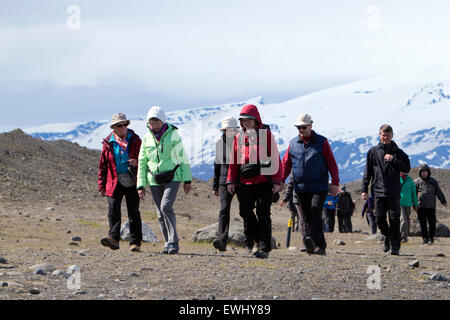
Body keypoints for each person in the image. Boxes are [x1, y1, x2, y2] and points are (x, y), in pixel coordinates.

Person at [227, 104, 283, 259]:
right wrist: (231, 180)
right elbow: (234, 160)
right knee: (244, 211)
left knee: (263, 212)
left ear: (256, 120)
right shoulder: (239, 137)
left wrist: (277, 181)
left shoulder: (266, 135)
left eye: (249, 120)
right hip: (244, 182)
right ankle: (257, 240)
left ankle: (264, 247)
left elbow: (275, 158)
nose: (246, 123)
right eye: (243, 121)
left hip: (264, 180)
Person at [281, 114, 340, 256]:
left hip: (319, 186)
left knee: (315, 211)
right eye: (299, 128)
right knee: (306, 218)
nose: (301, 130)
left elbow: (332, 163)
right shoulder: (293, 143)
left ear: (310, 126)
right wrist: (281, 180)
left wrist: (335, 183)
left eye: (304, 127)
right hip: (300, 187)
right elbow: (286, 163)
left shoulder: (322, 142)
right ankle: (320, 246)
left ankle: (311, 241)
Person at [137, 106, 192, 254]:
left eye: (156, 122)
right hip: (154, 179)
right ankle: (168, 243)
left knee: (165, 206)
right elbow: (142, 161)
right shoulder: (147, 137)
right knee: (160, 214)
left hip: (172, 177)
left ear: (162, 121)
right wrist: (140, 185)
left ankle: (173, 241)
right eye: (151, 122)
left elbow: (182, 158)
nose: (153, 125)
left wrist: (187, 180)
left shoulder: (173, 135)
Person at [361, 124, 410, 255]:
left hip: (393, 191)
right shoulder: (373, 151)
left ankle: (395, 246)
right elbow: (368, 171)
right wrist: (364, 189)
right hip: (377, 191)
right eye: (383, 135)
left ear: (392, 136)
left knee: (394, 219)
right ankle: (387, 236)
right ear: (379, 135)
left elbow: (406, 168)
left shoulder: (398, 153)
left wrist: (393, 160)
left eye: (388, 135)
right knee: (379, 219)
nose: (385, 138)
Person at [98, 113, 143, 252]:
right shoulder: (108, 143)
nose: (123, 127)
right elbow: (103, 165)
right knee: (113, 210)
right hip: (114, 181)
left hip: (132, 180)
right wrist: (101, 184)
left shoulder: (136, 140)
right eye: (120, 125)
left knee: (133, 212)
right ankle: (114, 239)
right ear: (114, 127)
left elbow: (144, 159)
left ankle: (135, 242)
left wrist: (137, 163)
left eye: (125, 124)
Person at [212, 116, 240, 252]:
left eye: (231, 130)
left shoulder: (242, 142)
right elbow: (217, 165)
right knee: (224, 210)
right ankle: (221, 240)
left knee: (246, 211)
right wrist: (215, 185)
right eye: (226, 130)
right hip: (224, 182)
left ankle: (249, 241)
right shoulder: (219, 144)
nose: (228, 132)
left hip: (241, 181)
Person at [414, 163, 447, 244]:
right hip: (420, 206)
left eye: (425, 172)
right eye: (422, 172)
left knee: (432, 223)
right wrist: (414, 204)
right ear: (420, 172)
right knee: (423, 223)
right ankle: (425, 238)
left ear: (428, 172)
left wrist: (443, 201)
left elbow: (438, 192)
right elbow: (413, 194)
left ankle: (431, 238)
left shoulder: (433, 181)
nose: (424, 173)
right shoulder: (416, 182)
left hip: (431, 206)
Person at [280, 172, 307, 252]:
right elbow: (289, 201)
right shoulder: (292, 193)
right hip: (294, 206)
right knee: (296, 219)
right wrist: (287, 203)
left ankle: (297, 229)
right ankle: (294, 229)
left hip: (297, 204)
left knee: (300, 220)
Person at [399, 171, 418, 243]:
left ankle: (405, 236)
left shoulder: (410, 180)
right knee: (402, 219)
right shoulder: (396, 179)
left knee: (406, 220)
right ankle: (402, 236)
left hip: (408, 203)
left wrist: (415, 204)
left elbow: (413, 193)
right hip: (399, 202)